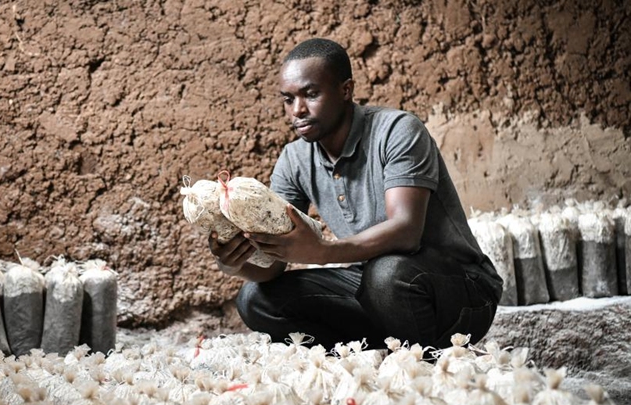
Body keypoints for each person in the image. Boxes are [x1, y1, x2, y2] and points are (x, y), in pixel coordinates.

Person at [208, 38, 503, 351]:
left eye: (311, 94)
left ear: (345, 90)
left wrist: (321, 252)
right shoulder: (294, 159)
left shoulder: (397, 130)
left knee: (387, 274)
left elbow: (406, 231)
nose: (298, 110)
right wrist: (234, 263)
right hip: (375, 293)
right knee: (255, 298)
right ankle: (362, 366)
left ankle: (420, 370)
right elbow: (273, 263)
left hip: (461, 295)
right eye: (288, 99)